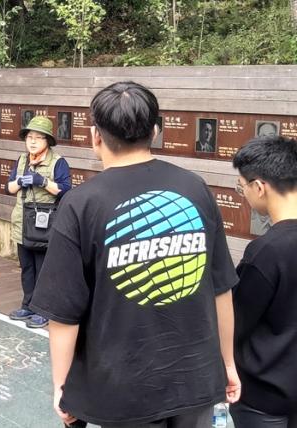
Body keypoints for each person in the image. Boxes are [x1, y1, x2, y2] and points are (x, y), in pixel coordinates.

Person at [30, 82, 241, 427]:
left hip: (123, 389)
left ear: (95, 136)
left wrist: (61, 385)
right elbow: (221, 288)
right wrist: (227, 363)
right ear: (155, 131)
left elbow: (64, 312)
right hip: (196, 378)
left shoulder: (81, 204)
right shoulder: (194, 188)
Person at [230, 136, 297, 428]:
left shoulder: (267, 251)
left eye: (241, 187)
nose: (243, 194)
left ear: (259, 187)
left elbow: (238, 321)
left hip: (264, 399)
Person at [6, 116, 71, 328]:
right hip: (22, 224)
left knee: (44, 270)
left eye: (38, 137)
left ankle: (43, 310)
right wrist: (20, 181)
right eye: (29, 137)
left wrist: (42, 181)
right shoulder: (21, 160)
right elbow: (9, 188)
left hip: (44, 226)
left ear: (48, 141)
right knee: (27, 269)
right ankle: (28, 306)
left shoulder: (58, 162)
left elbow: (65, 190)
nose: (32, 142)